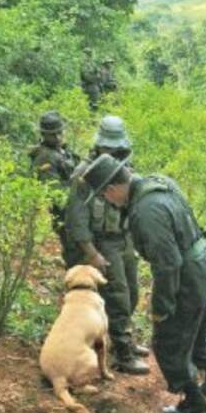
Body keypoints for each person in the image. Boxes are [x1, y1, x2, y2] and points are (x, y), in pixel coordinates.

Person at [80, 154, 206, 413]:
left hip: (187, 279)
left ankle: (194, 403)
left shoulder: (146, 211)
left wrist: (161, 307)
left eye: (105, 196)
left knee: (168, 341)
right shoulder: (158, 183)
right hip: (203, 268)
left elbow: (168, 265)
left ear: (112, 189)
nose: (107, 201)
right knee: (199, 332)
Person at [64, 115, 148, 375]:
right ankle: (121, 352)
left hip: (123, 237)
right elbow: (76, 218)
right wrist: (91, 253)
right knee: (117, 295)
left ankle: (124, 339)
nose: (111, 152)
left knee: (132, 292)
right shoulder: (85, 174)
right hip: (101, 242)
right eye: (107, 147)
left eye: (116, 148)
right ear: (98, 145)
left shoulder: (124, 167)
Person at [29, 110, 81, 266]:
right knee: (75, 253)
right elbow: (56, 194)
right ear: (44, 135)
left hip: (79, 208)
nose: (58, 137)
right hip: (65, 213)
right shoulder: (44, 157)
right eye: (53, 135)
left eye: (60, 133)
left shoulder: (63, 151)